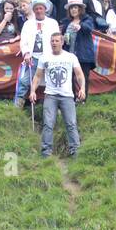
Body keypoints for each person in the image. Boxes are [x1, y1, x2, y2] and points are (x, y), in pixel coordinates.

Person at [33, 28, 85, 159]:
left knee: (71, 124)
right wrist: (33, 91)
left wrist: (82, 88)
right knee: (48, 124)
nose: (54, 43)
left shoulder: (70, 57)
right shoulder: (44, 57)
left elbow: (79, 74)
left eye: (57, 41)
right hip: (50, 95)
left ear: (62, 42)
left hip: (67, 95)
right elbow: (38, 76)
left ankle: (76, 153)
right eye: (52, 41)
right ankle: (46, 153)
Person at [16, 0, 60, 108]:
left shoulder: (53, 23)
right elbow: (24, 41)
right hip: (33, 58)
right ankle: (17, 107)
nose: (39, 11)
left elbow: (56, 40)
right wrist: (26, 53)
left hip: (49, 57)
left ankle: (54, 107)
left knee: (53, 82)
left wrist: (55, 55)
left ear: (45, 9)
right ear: (33, 10)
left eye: (41, 8)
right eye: (36, 9)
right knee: (24, 82)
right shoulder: (28, 24)